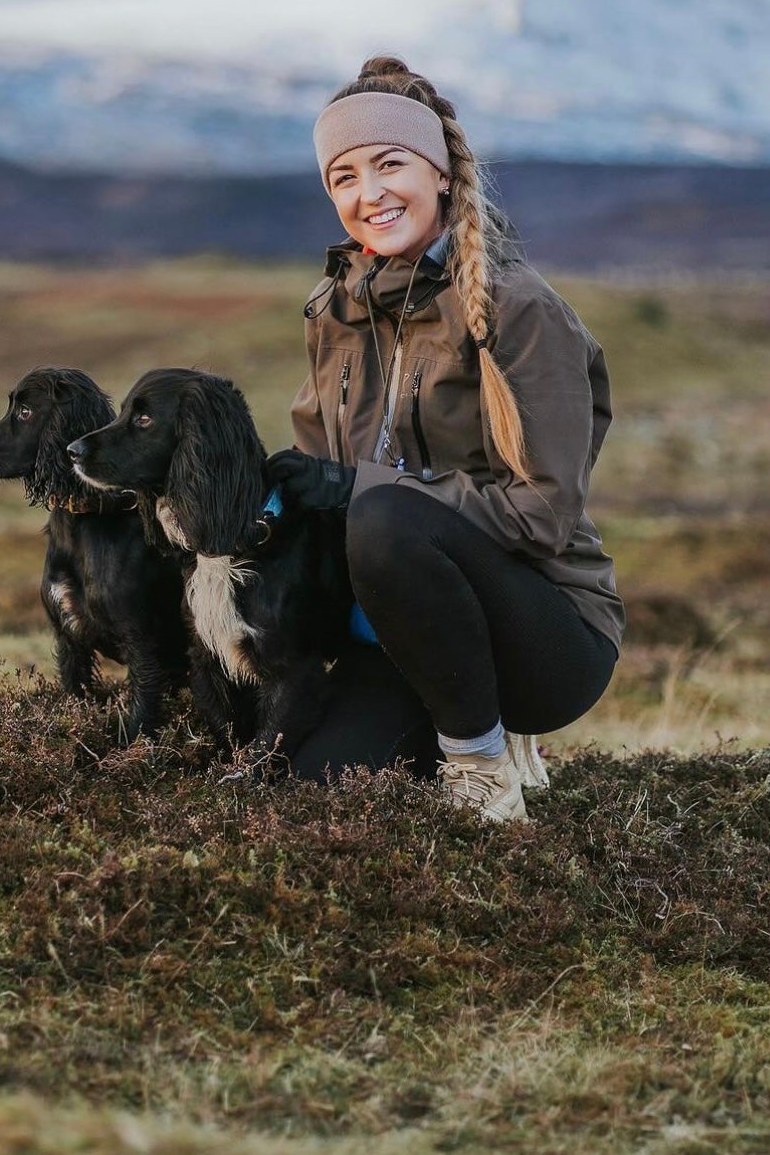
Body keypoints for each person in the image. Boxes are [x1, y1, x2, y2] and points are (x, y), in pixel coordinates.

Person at [267, 57, 624, 823]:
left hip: (543, 637)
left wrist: (365, 493)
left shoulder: (519, 309)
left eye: (390, 164)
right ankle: (463, 724)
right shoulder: (335, 310)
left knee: (384, 517)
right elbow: (323, 478)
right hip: (397, 638)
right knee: (313, 795)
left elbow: (543, 515)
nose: (370, 195)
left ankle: (483, 766)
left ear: (438, 172)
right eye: (344, 178)